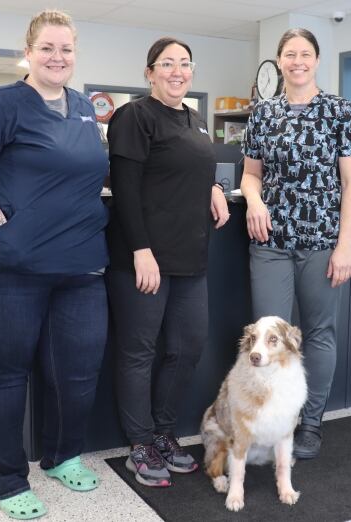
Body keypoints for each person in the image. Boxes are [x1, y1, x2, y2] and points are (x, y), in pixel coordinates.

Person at [0, 10, 109, 519]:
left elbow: (91, 176)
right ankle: (8, 480)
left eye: (66, 49)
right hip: (3, 267)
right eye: (48, 48)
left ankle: (62, 456)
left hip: (79, 267)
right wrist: (4, 233)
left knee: (79, 372)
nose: (57, 58)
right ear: (29, 51)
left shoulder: (84, 109)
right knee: (5, 375)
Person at [106, 37, 230, 487]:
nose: (177, 71)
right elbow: (125, 188)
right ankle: (139, 442)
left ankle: (163, 432)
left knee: (187, 347)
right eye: (167, 64)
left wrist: (214, 189)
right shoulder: (134, 116)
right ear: (150, 71)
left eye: (185, 64)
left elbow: (194, 171)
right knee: (138, 352)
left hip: (190, 260)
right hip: (144, 259)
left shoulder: (196, 121)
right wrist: (141, 250)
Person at [240, 28, 351, 460]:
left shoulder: (341, 113)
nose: (297, 61)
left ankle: (310, 422)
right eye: (290, 54)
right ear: (279, 61)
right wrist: (254, 201)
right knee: (267, 336)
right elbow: (250, 175)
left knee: (319, 333)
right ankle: (274, 420)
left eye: (305, 54)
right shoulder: (263, 114)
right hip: (270, 241)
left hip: (322, 241)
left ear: (316, 60)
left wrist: (344, 245)